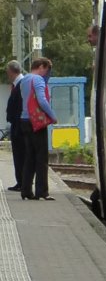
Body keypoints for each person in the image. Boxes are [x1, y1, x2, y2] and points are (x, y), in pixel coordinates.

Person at [20, 57, 57, 201]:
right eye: (47, 70)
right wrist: (52, 116)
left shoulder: (24, 80)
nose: (46, 74)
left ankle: (26, 190)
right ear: (41, 66)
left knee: (29, 156)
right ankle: (42, 192)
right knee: (41, 158)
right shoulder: (38, 80)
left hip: (24, 120)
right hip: (36, 122)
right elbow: (42, 100)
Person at [5, 61, 25, 191]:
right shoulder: (17, 84)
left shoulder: (22, 84)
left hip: (20, 125)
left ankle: (23, 182)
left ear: (12, 71)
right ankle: (21, 182)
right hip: (17, 124)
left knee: (21, 154)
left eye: (8, 72)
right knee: (18, 155)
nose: (7, 75)